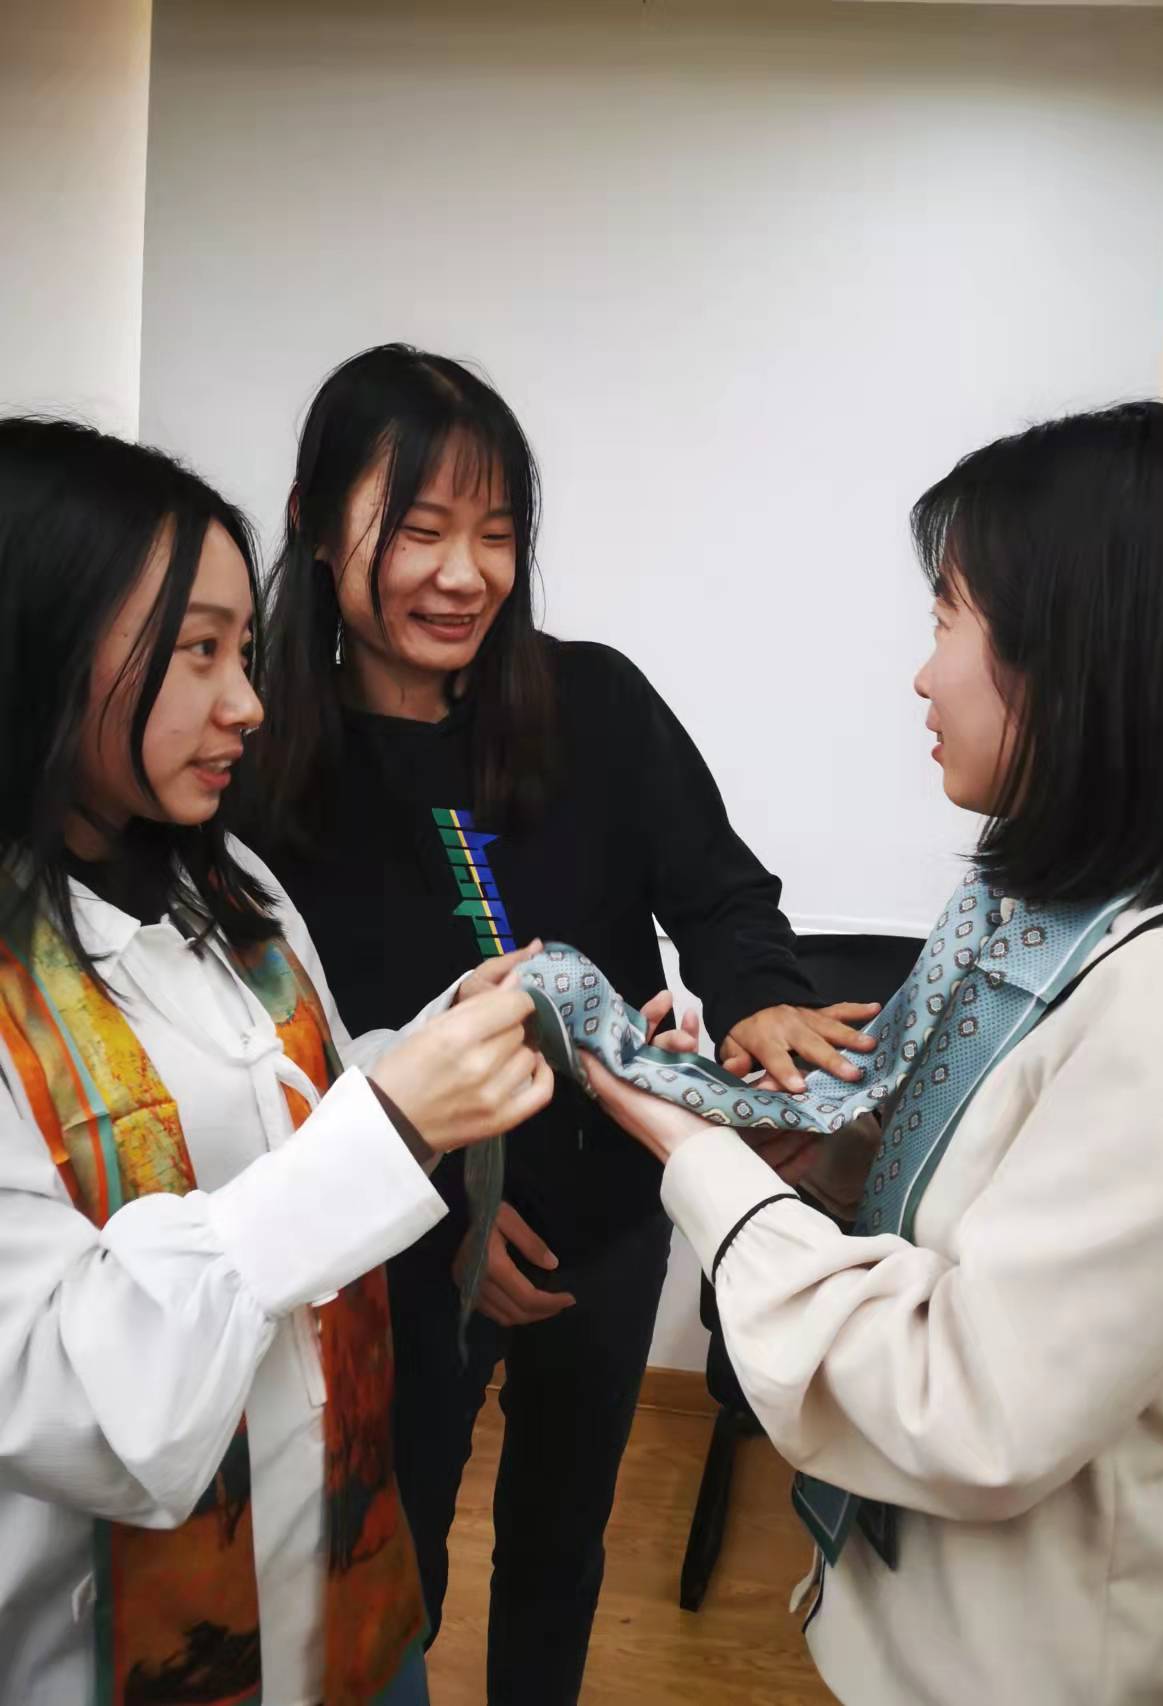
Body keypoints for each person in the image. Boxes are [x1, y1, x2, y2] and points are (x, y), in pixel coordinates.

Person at [584, 401, 1163, 1706]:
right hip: (901, 1634)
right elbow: (997, 1174)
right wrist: (813, 1154)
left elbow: (969, 1405)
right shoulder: (1056, 888)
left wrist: (690, 1151)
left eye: (949, 617)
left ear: (1076, 648)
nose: (922, 674)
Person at [245, 343, 876, 1704]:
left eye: (496, 532)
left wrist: (761, 994)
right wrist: (445, 1222)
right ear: (314, 522)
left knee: (561, 1539)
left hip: (604, 1219)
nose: (464, 573)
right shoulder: (254, 760)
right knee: (395, 1546)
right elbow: (278, 1053)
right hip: (394, 1244)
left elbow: (722, 894)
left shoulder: (594, 701)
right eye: (419, 529)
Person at [0, 417, 554, 1706]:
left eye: (241, 651)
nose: (246, 701)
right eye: (197, 651)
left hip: (352, 1592)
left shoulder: (226, 881)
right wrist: (394, 1125)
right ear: (39, 645)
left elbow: (298, 1104)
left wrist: (442, 1038)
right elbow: (64, 1392)